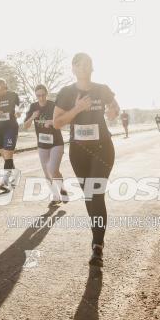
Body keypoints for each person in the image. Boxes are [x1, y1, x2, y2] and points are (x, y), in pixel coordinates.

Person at [53, 53, 120, 268]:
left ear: (92, 67)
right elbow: (56, 123)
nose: (83, 68)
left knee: (95, 193)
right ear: (73, 68)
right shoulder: (66, 93)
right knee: (89, 196)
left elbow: (114, 110)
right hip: (79, 151)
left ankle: (97, 246)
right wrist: (77, 109)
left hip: (103, 148)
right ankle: (97, 240)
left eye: (87, 64)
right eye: (79, 65)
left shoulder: (102, 89)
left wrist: (113, 112)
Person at [23, 84, 67, 203]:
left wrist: (52, 122)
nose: (41, 98)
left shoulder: (53, 105)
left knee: (53, 169)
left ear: (46, 94)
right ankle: (55, 196)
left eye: (43, 95)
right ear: (36, 95)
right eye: (38, 96)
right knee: (47, 172)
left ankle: (62, 189)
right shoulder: (33, 106)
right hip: (42, 144)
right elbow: (25, 126)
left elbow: (63, 121)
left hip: (56, 142)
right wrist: (32, 117)